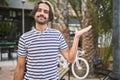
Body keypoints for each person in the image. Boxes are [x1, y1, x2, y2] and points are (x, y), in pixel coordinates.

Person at [14, 1, 92, 80]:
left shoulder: (57, 35)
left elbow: (70, 58)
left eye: (46, 12)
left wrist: (77, 37)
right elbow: (20, 67)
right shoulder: (24, 38)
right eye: (39, 10)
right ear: (34, 13)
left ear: (49, 16)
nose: (42, 13)